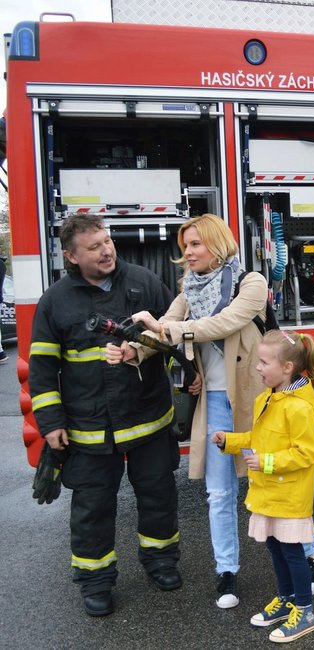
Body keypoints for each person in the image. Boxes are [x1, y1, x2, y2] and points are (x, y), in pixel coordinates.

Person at [128, 213, 314, 609]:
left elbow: (222, 323)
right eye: (185, 247)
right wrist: (133, 349)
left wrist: (165, 330)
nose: (188, 253)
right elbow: (166, 325)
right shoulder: (188, 289)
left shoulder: (250, 282)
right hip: (214, 400)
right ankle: (226, 571)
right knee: (219, 493)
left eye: (196, 244)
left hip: (257, 398)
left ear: (218, 244)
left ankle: (308, 558)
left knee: (276, 485)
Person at [28, 213, 180, 617]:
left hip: (148, 417)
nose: (107, 250)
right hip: (89, 427)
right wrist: (51, 422)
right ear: (71, 256)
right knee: (92, 508)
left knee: (158, 495)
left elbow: (177, 332)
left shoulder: (144, 282)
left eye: (107, 241)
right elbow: (42, 367)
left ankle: (161, 562)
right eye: (94, 247)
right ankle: (95, 581)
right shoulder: (55, 301)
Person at [212, 330, 314, 643]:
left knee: (291, 552)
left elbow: (308, 453)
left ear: (287, 368)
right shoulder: (269, 398)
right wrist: (230, 441)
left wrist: (267, 463)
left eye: (263, 362)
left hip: (288, 495)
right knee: (276, 547)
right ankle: (287, 599)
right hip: (270, 493)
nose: (258, 368)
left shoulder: (299, 407)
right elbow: (258, 438)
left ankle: (304, 610)